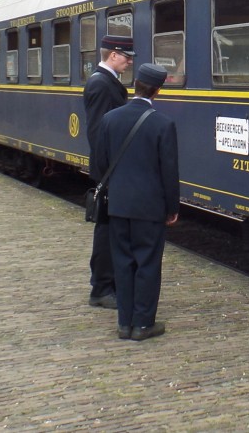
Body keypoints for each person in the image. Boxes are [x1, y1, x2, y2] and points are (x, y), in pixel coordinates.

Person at [97, 62, 179, 341]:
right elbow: (169, 171)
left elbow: (100, 164)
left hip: (118, 205)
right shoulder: (163, 124)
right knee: (147, 263)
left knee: (123, 262)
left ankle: (124, 323)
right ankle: (143, 324)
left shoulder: (110, 119)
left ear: (135, 85)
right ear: (158, 90)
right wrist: (172, 208)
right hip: (150, 208)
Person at [82, 35, 135, 310]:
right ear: (113, 55)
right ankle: (101, 287)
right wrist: (110, 171)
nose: (130, 62)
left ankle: (106, 284)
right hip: (110, 169)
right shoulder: (102, 84)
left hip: (111, 168)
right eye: (127, 56)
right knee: (106, 229)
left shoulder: (103, 81)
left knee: (110, 228)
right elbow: (98, 132)